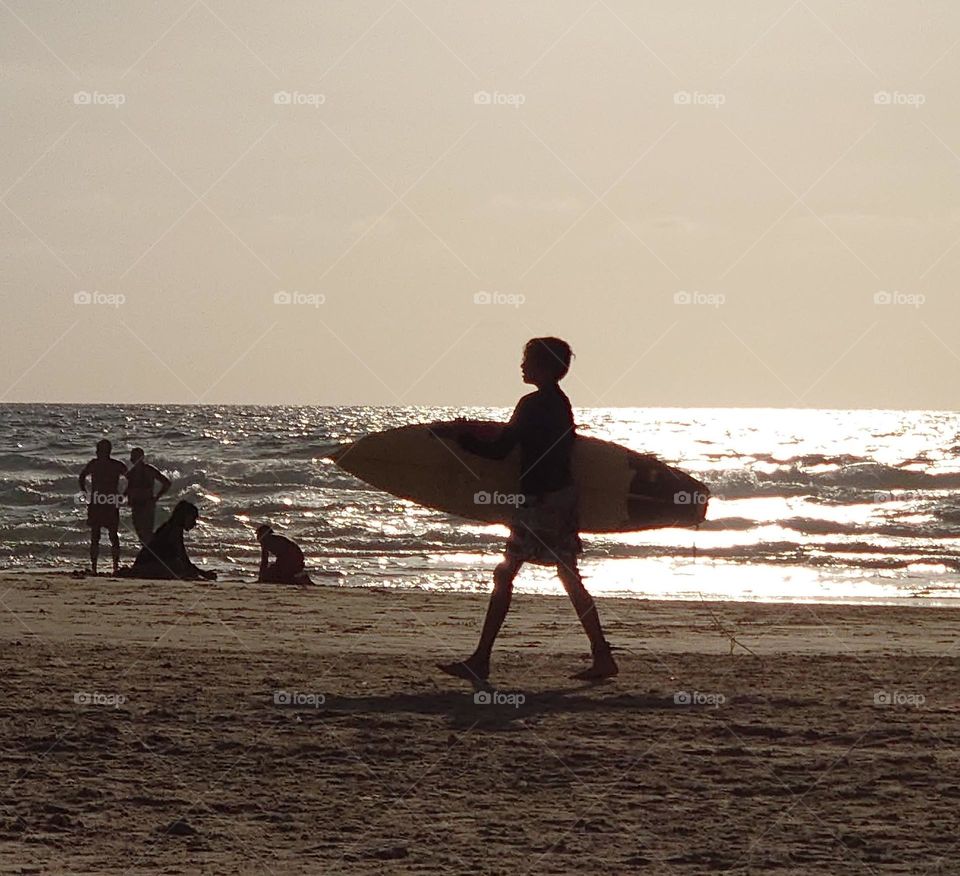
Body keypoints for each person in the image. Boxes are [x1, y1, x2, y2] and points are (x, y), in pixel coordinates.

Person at [437, 337, 618, 682]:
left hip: (540, 503)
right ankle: (602, 655)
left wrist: (459, 437)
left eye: (527, 361)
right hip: (561, 499)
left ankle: (481, 660)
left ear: (545, 367)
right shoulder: (561, 404)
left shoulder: (533, 404)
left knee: (507, 575)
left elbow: (500, 451)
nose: (521, 366)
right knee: (566, 577)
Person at [119, 501, 216, 580]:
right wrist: (203, 573)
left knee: (181, 567)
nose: (194, 523)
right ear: (184, 516)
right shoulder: (174, 530)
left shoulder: (169, 527)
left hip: (145, 564)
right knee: (179, 567)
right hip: (147, 566)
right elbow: (183, 558)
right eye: (193, 519)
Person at [78, 439, 127, 575]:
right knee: (105, 536)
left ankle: (105, 566)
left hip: (103, 502)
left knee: (103, 536)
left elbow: (82, 476)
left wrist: (85, 492)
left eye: (99, 450)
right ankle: (109, 566)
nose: (97, 453)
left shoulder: (97, 464)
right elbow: (82, 476)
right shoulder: (115, 465)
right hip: (104, 502)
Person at [125, 447, 171, 545]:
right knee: (141, 534)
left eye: (134, 457)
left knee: (146, 533)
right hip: (136, 505)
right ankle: (149, 552)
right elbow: (129, 488)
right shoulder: (131, 473)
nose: (132, 459)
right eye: (132, 457)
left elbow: (166, 483)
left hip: (147, 504)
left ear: (141, 458)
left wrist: (156, 497)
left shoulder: (149, 470)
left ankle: (154, 553)